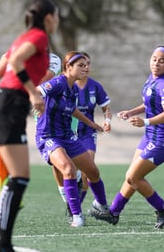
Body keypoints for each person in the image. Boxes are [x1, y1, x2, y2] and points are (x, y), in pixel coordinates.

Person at [0, 0, 59, 252]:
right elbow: (16, 63)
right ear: (49, 17)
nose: (57, 21)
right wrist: (32, 93)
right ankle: (2, 240)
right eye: (57, 16)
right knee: (20, 178)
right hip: (8, 108)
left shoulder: (21, 38)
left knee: (18, 178)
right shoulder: (39, 37)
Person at [90, 46, 164, 229]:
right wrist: (132, 111)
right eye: (154, 59)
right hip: (151, 135)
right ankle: (114, 212)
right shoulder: (153, 78)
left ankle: (162, 207)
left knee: (133, 176)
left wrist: (146, 122)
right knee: (132, 176)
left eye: (162, 60)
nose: (156, 63)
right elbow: (149, 102)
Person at [35, 51, 110, 227]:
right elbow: (38, 90)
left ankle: (102, 206)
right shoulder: (59, 82)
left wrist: (91, 123)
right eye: (81, 65)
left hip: (68, 136)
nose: (86, 68)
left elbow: (72, 109)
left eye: (87, 65)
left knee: (93, 172)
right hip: (49, 136)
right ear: (68, 67)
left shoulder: (72, 87)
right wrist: (36, 101)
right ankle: (76, 216)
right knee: (68, 169)